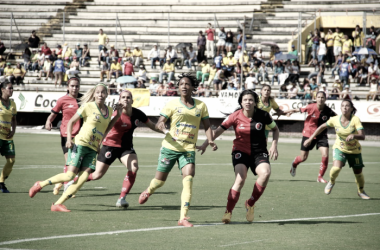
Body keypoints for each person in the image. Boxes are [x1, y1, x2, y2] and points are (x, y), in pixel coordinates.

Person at [29, 84, 123, 212]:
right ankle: (40, 184)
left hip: (93, 148)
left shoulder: (109, 111)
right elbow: (71, 122)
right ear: (94, 94)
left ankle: (57, 204)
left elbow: (106, 129)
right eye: (98, 92)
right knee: (69, 176)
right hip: (80, 144)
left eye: (103, 93)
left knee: (83, 177)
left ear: (107, 95)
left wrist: (117, 117)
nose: (100, 95)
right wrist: (68, 139)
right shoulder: (88, 106)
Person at [138, 73, 216, 227]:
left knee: (188, 179)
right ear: (178, 87)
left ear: (193, 87)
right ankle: (149, 190)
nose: (184, 86)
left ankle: (183, 218)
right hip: (170, 148)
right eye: (181, 84)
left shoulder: (201, 106)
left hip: (188, 149)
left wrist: (210, 141)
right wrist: (161, 124)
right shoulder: (172, 104)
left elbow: (207, 127)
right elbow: (161, 121)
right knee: (159, 181)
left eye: (187, 84)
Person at [65, 90, 163, 207]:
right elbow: (101, 126)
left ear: (132, 100)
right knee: (97, 175)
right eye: (123, 97)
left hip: (126, 148)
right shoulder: (114, 113)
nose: (126, 99)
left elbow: (153, 126)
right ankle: (73, 181)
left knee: (134, 167)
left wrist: (166, 132)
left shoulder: (138, 113)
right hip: (109, 146)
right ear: (119, 100)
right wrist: (97, 143)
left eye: (128, 97)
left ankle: (122, 199)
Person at [198, 90, 279, 223]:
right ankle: (228, 211)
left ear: (255, 102)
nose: (248, 102)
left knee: (265, 174)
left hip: (259, 151)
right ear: (241, 102)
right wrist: (205, 144)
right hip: (240, 151)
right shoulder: (234, 116)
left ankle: (250, 203)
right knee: (240, 180)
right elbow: (218, 131)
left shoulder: (264, 115)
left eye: (251, 100)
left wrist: (274, 145)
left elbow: (275, 129)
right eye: (245, 100)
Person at [304, 100, 369, 199]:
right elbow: (321, 127)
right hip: (340, 148)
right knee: (336, 168)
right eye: (343, 106)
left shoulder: (355, 119)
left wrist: (353, 135)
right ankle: (332, 181)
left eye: (347, 106)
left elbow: (362, 136)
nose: (345, 108)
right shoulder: (335, 119)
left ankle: (361, 191)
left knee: (358, 173)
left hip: (354, 150)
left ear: (351, 108)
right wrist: (310, 138)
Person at [285, 92, 337, 183]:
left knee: (325, 154)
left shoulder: (328, 110)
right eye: (319, 97)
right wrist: (287, 113)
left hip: (322, 135)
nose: (320, 99)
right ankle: (294, 164)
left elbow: (338, 118)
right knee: (303, 157)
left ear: (325, 99)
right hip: (308, 133)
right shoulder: (310, 107)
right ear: (315, 98)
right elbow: (297, 110)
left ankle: (320, 177)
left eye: (322, 97)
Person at [45, 78, 82, 195]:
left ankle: (59, 183)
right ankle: (67, 187)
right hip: (66, 134)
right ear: (68, 87)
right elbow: (53, 114)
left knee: (77, 165)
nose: (74, 88)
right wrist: (48, 122)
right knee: (70, 163)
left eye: (77, 86)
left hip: (81, 136)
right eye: (72, 86)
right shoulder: (62, 100)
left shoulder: (83, 100)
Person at [0, 80, 17, 193]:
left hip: (7, 137)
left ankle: (1, 181)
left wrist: (13, 131)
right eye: (9, 88)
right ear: (2, 89)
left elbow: (14, 120)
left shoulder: (13, 104)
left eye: (12, 88)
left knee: (11, 160)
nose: (11, 90)